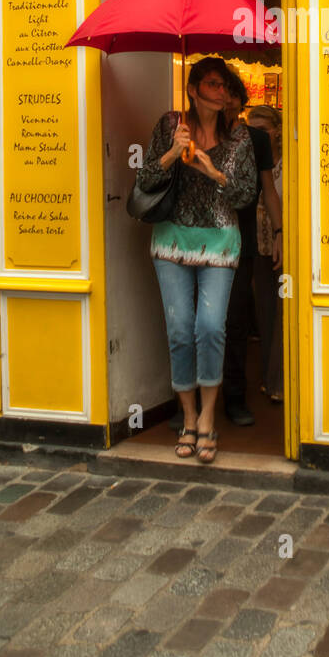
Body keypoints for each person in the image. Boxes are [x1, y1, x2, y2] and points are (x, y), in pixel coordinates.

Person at [136, 56, 256, 464]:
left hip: (220, 242)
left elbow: (245, 195)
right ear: (193, 89)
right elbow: (144, 180)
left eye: (225, 86)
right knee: (180, 329)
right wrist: (173, 152)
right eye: (212, 84)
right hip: (171, 240)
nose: (222, 93)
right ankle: (187, 415)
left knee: (209, 327)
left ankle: (208, 415)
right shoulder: (171, 125)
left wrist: (213, 172)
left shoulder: (240, 137)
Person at [221, 71, 281, 424]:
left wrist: (279, 231)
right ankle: (194, 399)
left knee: (236, 320)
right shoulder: (196, 134)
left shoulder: (256, 139)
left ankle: (234, 396)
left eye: (229, 92)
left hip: (240, 242)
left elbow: (268, 190)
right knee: (201, 324)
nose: (224, 100)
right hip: (199, 240)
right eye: (216, 89)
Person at [247, 102, 285, 401]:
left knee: (282, 314)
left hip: (282, 247)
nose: (255, 136)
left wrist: (280, 233)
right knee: (265, 314)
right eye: (251, 130)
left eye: (261, 130)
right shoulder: (248, 165)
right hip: (254, 248)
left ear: (277, 131)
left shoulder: (289, 165)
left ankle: (278, 383)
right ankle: (269, 379)